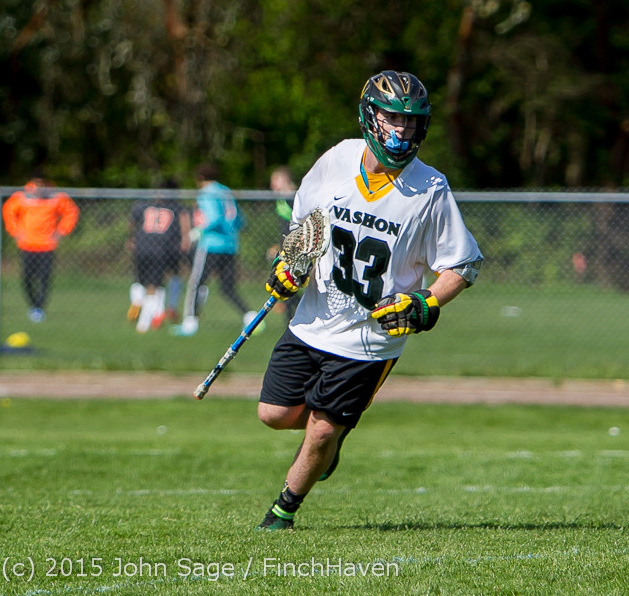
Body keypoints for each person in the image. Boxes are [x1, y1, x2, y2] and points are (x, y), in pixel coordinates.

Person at [255, 70, 483, 531]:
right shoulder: (338, 158)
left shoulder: (430, 188)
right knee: (275, 415)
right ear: (369, 116)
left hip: (370, 339)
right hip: (313, 320)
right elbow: (304, 225)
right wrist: (289, 266)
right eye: (392, 118)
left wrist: (426, 302)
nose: (402, 130)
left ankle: (282, 512)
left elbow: (462, 265)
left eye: (411, 121)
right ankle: (331, 440)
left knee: (322, 428)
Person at [171, 163, 256, 337]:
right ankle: (250, 316)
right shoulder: (225, 191)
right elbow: (240, 220)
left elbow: (214, 218)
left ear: (200, 178)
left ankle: (190, 323)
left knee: (196, 283)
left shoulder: (206, 193)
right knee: (227, 287)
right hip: (230, 245)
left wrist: (199, 231)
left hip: (211, 245)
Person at [2, 169, 80, 322]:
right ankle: (33, 305)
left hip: (47, 245)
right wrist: (15, 232)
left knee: (44, 278)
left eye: (41, 184)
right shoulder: (22, 196)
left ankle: (40, 308)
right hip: (27, 245)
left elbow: (71, 212)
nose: (39, 187)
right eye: (36, 184)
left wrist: (61, 232)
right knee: (27, 278)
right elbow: (8, 212)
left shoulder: (55, 197)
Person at [127, 179, 191, 333]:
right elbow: (185, 225)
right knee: (155, 285)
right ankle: (144, 323)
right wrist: (185, 241)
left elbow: (132, 223)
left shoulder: (144, 206)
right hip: (161, 248)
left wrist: (130, 238)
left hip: (141, 245)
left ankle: (139, 301)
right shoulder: (176, 208)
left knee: (140, 281)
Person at [266, 165, 299, 326]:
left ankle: (292, 320)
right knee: (286, 284)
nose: (273, 185)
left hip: (296, 248)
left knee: (288, 284)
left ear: (285, 179)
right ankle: (290, 320)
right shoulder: (281, 199)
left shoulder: (293, 198)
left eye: (276, 180)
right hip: (286, 248)